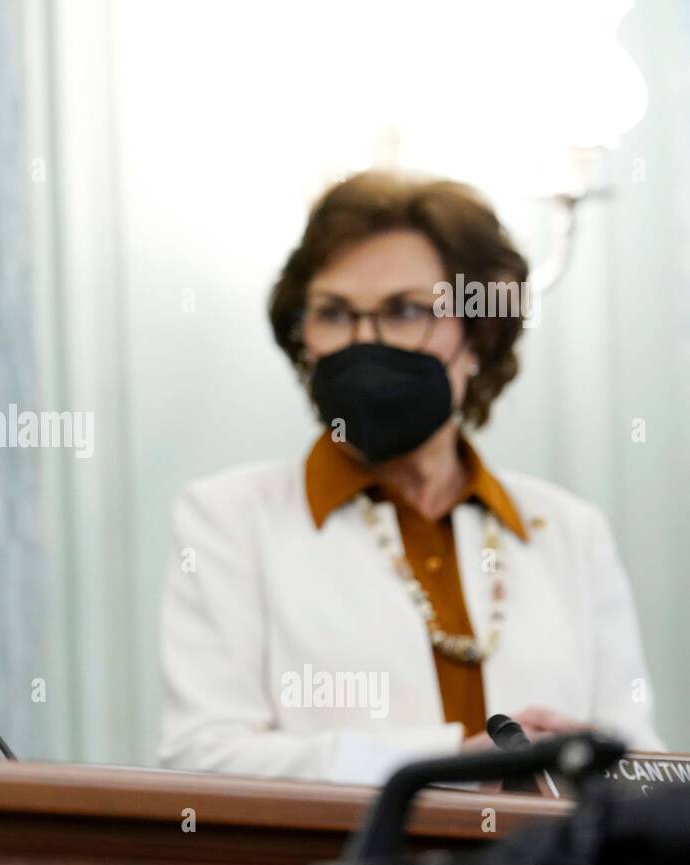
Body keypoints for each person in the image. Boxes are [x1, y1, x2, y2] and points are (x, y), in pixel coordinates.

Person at [158, 171, 663, 784]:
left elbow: (637, 758)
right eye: (334, 313)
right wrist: (443, 765)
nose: (365, 342)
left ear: (478, 336)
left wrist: (596, 763)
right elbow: (203, 758)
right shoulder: (229, 518)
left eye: (403, 310)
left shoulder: (570, 531)